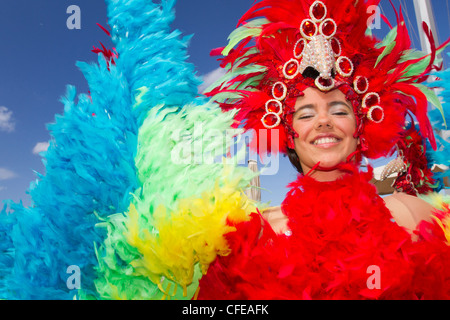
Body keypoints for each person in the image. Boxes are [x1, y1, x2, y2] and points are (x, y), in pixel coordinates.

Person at [195, 0, 450, 299]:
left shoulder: (412, 214)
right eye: (305, 114)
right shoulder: (256, 236)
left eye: (339, 110)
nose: (324, 121)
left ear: (361, 128)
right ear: (288, 136)